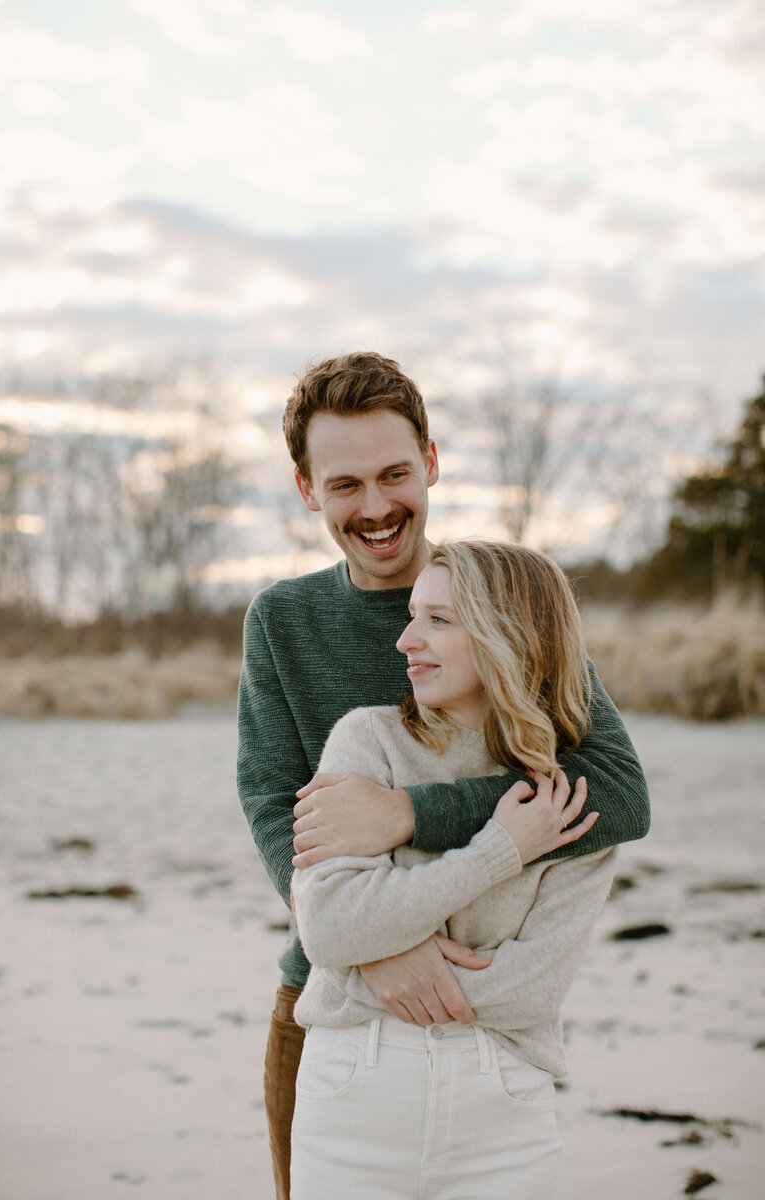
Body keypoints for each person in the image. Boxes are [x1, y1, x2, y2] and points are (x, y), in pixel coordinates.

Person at [236, 352, 650, 1200]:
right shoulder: (283, 619)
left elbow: (615, 789)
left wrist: (408, 814)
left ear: (431, 460)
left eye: (395, 474)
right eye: (344, 484)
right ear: (308, 489)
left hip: (485, 1010)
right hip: (328, 1000)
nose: (377, 507)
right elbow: (275, 804)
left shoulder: (502, 602)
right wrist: (370, 947)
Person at [289, 539, 623, 1198]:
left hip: (502, 1108)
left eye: (438, 619)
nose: (406, 640)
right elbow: (327, 930)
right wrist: (501, 850)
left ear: (510, 634)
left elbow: (533, 987)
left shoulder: (573, 791)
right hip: (355, 1092)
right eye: (413, 615)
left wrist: (364, 966)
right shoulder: (367, 741)